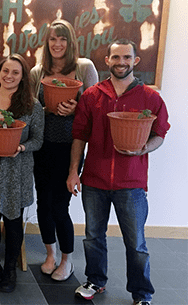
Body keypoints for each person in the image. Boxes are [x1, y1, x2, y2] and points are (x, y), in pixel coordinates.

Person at [67, 39, 170, 305]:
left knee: (136, 243)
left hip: (131, 183)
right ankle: (95, 280)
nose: (121, 62)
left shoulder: (150, 98)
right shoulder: (92, 96)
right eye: (116, 57)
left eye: (126, 57)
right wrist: (73, 172)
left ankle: (141, 294)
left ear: (135, 60)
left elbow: (160, 133)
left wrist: (143, 149)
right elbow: (79, 136)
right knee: (93, 236)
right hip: (94, 180)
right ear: (108, 60)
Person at [29, 19, 98, 281]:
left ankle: (67, 260)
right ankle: (50, 254)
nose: (57, 44)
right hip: (42, 148)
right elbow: (31, 110)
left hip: (70, 149)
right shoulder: (38, 72)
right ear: (47, 43)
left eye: (63, 39)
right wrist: (46, 109)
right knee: (43, 205)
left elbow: (95, 110)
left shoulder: (84, 68)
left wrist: (77, 107)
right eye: (52, 39)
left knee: (60, 206)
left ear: (70, 42)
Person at [0, 54, 44, 293]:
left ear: (23, 76)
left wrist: (21, 147)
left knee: (13, 222)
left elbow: (38, 140)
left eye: (15, 72)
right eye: (5, 71)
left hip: (16, 172)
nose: (9, 76)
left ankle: (10, 268)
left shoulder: (32, 105)